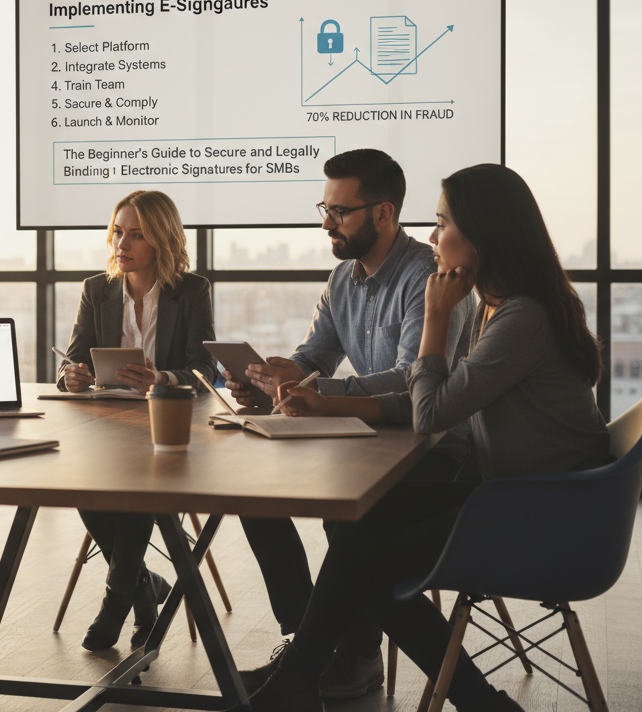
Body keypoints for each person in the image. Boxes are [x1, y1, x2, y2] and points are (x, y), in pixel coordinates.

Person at [239, 164, 613, 712]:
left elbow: (431, 413)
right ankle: (303, 678)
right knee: (360, 522)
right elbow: (428, 401)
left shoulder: (520, 319)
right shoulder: (504, 308)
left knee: (374, 561)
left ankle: (472, 702)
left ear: (484, 234)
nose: (434, 237)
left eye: (443, 223)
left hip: (544, 513)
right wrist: (329, 401)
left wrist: (435, 321)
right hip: (516, 494)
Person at [222, 148, 468, 699]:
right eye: (324, 208)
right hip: (367, 434)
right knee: (253, 496)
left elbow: (413, 383)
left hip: (431, 448)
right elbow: (315, 357)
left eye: (340, 212)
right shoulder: (342, 278)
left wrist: (316, 391)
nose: (327, 223)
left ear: (383, 213)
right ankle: (308, 640)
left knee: (351, 514)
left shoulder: (425, 278)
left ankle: (351, 656)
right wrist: (277, 376)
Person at [57, 189, 218, 650]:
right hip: (106, 424)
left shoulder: (191, 292)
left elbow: (205, 371)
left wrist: (160, 376)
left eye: (136, 235)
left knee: (140, 485)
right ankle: (144, 589)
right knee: (85, 485)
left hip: (167, 423)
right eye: (117, 233)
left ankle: (116, 599)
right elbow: (68, 360)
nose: (121, 245)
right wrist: (72, 375)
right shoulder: (97, 290)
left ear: (162, 240)